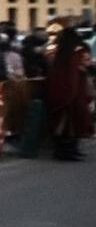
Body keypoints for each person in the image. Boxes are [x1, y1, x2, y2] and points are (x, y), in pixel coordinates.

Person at [45, 24, 92, 160]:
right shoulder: (75, 53)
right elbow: (78, 71)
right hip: (74, 93)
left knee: (63, 125)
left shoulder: (57, 52)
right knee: (71, 124)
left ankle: (65, 150)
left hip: (61, 92)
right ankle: (68, 151)